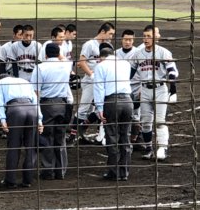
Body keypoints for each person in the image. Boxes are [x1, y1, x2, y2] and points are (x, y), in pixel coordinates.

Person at [129, 25, 179, 160]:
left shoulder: (163, 52)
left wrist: (173, 90)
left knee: (160, 121)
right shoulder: (138, 54)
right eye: (144, 36)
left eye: (148, 36)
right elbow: (130, 73)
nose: (145, 39)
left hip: (160, 89)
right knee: (145, 122)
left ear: (155, 38)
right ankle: (149, 148)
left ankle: (163, 148)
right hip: (144, 89)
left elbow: (172, 71)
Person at [31, 42, 75, 180]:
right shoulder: (66, 66)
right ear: (58, 53)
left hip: (46, 105)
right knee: (60, 138)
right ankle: (60, 171)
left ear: (45, 54)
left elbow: (35, 91)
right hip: (62, 104)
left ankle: (48, 171)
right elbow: (66, 60)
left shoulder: (40, 67)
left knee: (47, 137)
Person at [93, 43, 134, 181]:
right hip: (128, 101)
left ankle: (114, 172)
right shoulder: (125, 64)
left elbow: (99, 88)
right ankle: (124, 172)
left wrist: (99, 108)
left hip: (112, 101)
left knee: (112, 137)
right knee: (125, 137)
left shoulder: (101, 66)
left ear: (101, 57)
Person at [0, 75, 43, 189]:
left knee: (14, 146)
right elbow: (36, 101)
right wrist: (39, 120)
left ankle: (10, 181)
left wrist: (2, 119)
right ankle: (28, 180)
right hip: (32, 109)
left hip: (15, 110)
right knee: (30, 147)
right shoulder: (25, 81)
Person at [75, 23, 114, 141]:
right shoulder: (90, 44)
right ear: (102, 31)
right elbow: (82, 62)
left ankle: (81, 130)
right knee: (84, 109)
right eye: (110, 34)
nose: (111, 37)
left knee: (97, 108)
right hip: (90, 81)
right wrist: (91, 75)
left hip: (101, 82)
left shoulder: (108, 46)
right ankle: (71, 136)